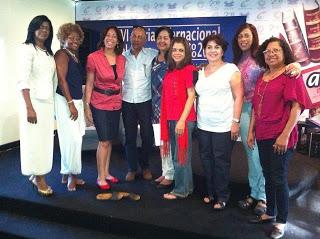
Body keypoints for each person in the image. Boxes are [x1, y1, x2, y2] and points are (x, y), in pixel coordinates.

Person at [232, 23, 302, 215]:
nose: (243, 40)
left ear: (254, 37)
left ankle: (263, 196)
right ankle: (255, 193)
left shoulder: (263, 59)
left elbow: (288, 70)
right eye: (240, 37)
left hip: (265, 113)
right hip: (248, 111)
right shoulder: (239, 60)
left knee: (262, 161)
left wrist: (296, 65)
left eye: (247, 36)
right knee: (252, 156)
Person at [247, 37, 306, 239]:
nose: (271, 54)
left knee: (279, 178)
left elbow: (297, 107)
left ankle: (281, 221)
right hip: (262, 134)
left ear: (284, 53)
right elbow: (255, 107)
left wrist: (284, 135)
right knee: (268, 175)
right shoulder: (263, 76)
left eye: (276, 50)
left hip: (281, 136)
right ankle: (269, 212)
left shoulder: (290, 75)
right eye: (267, 51)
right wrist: (250, 131)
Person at [195, 34, 243, 209]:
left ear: (223, 51)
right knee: (206, 159)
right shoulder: (200, 71)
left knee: (221, 161)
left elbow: (239, 97)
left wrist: (235, 121)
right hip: (203, 124)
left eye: (216, 47)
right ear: (204, 50)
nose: (212, 50)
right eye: (209, 47)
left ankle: (222, 195)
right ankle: (210, 191)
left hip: (223, 124)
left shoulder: (231, 69)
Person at [18, 15, 56, 196]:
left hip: (47, 104)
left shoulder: (48, 53)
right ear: (33, 28)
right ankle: (39, 177)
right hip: (33, 104)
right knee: (34, 143)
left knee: (45, 143)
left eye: (47, 28)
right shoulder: (27, 49)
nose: (44, 30)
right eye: (40, 27)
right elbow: (22, 80)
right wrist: (29, 107)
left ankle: (37, 175)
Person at [85, 26, 125, 190]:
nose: (110, 38)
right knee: (103, 141)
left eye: (114, 36)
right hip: (99, 102)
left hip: (115, 102)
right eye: (108, 35)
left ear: (118, 41)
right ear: (103, 38)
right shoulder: (93, 57)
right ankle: (100, 177)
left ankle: (107, 172)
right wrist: (86, 106)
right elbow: (89, 82)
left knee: (110, 140)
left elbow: (120, 83)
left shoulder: (122, 59)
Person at [161, 37, 197, 200]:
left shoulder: (189, 69)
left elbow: (191, 96)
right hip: (171, 118)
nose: (177, 52)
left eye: (181, 50)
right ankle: (187, 188)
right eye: (174, 49)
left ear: (186, 52)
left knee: (180, 157)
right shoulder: (170, 70)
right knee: (182, 157)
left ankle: (180, 190)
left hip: (183, 120)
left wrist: (182, 120)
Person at [122, 26, 158, 181]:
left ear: (145, 39)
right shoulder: (122, 56)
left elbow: (172, 59)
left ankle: (145, 166)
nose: (136, 39)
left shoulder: (153, 54)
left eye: (140, 37)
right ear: (130, 37)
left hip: (145, 100)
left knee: (147, 136)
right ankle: (131, 168)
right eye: (134, 36)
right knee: (129, 136)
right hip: (127, 101)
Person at [55, 23, 86, 191]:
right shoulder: (62, 54)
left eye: (77, 38)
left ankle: (65, 173)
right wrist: (70, 103)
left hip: (75, 102)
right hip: (66, 102)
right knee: (72, 140)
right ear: (63, 39)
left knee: (72, 139)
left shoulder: (74, 56)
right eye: (70, 37)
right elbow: (61, 80)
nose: (74, 40)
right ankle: (72, 177)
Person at [151, 26, 174, 188]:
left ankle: (171, 174)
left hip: (170, 107)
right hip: (155, 106)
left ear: (171, 40)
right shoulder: (154, 59)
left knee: (169, 142)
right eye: (159, 37)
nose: (162, 40)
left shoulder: (175, 59)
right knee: (161, 141)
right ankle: (165, 171)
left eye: (165, 37)